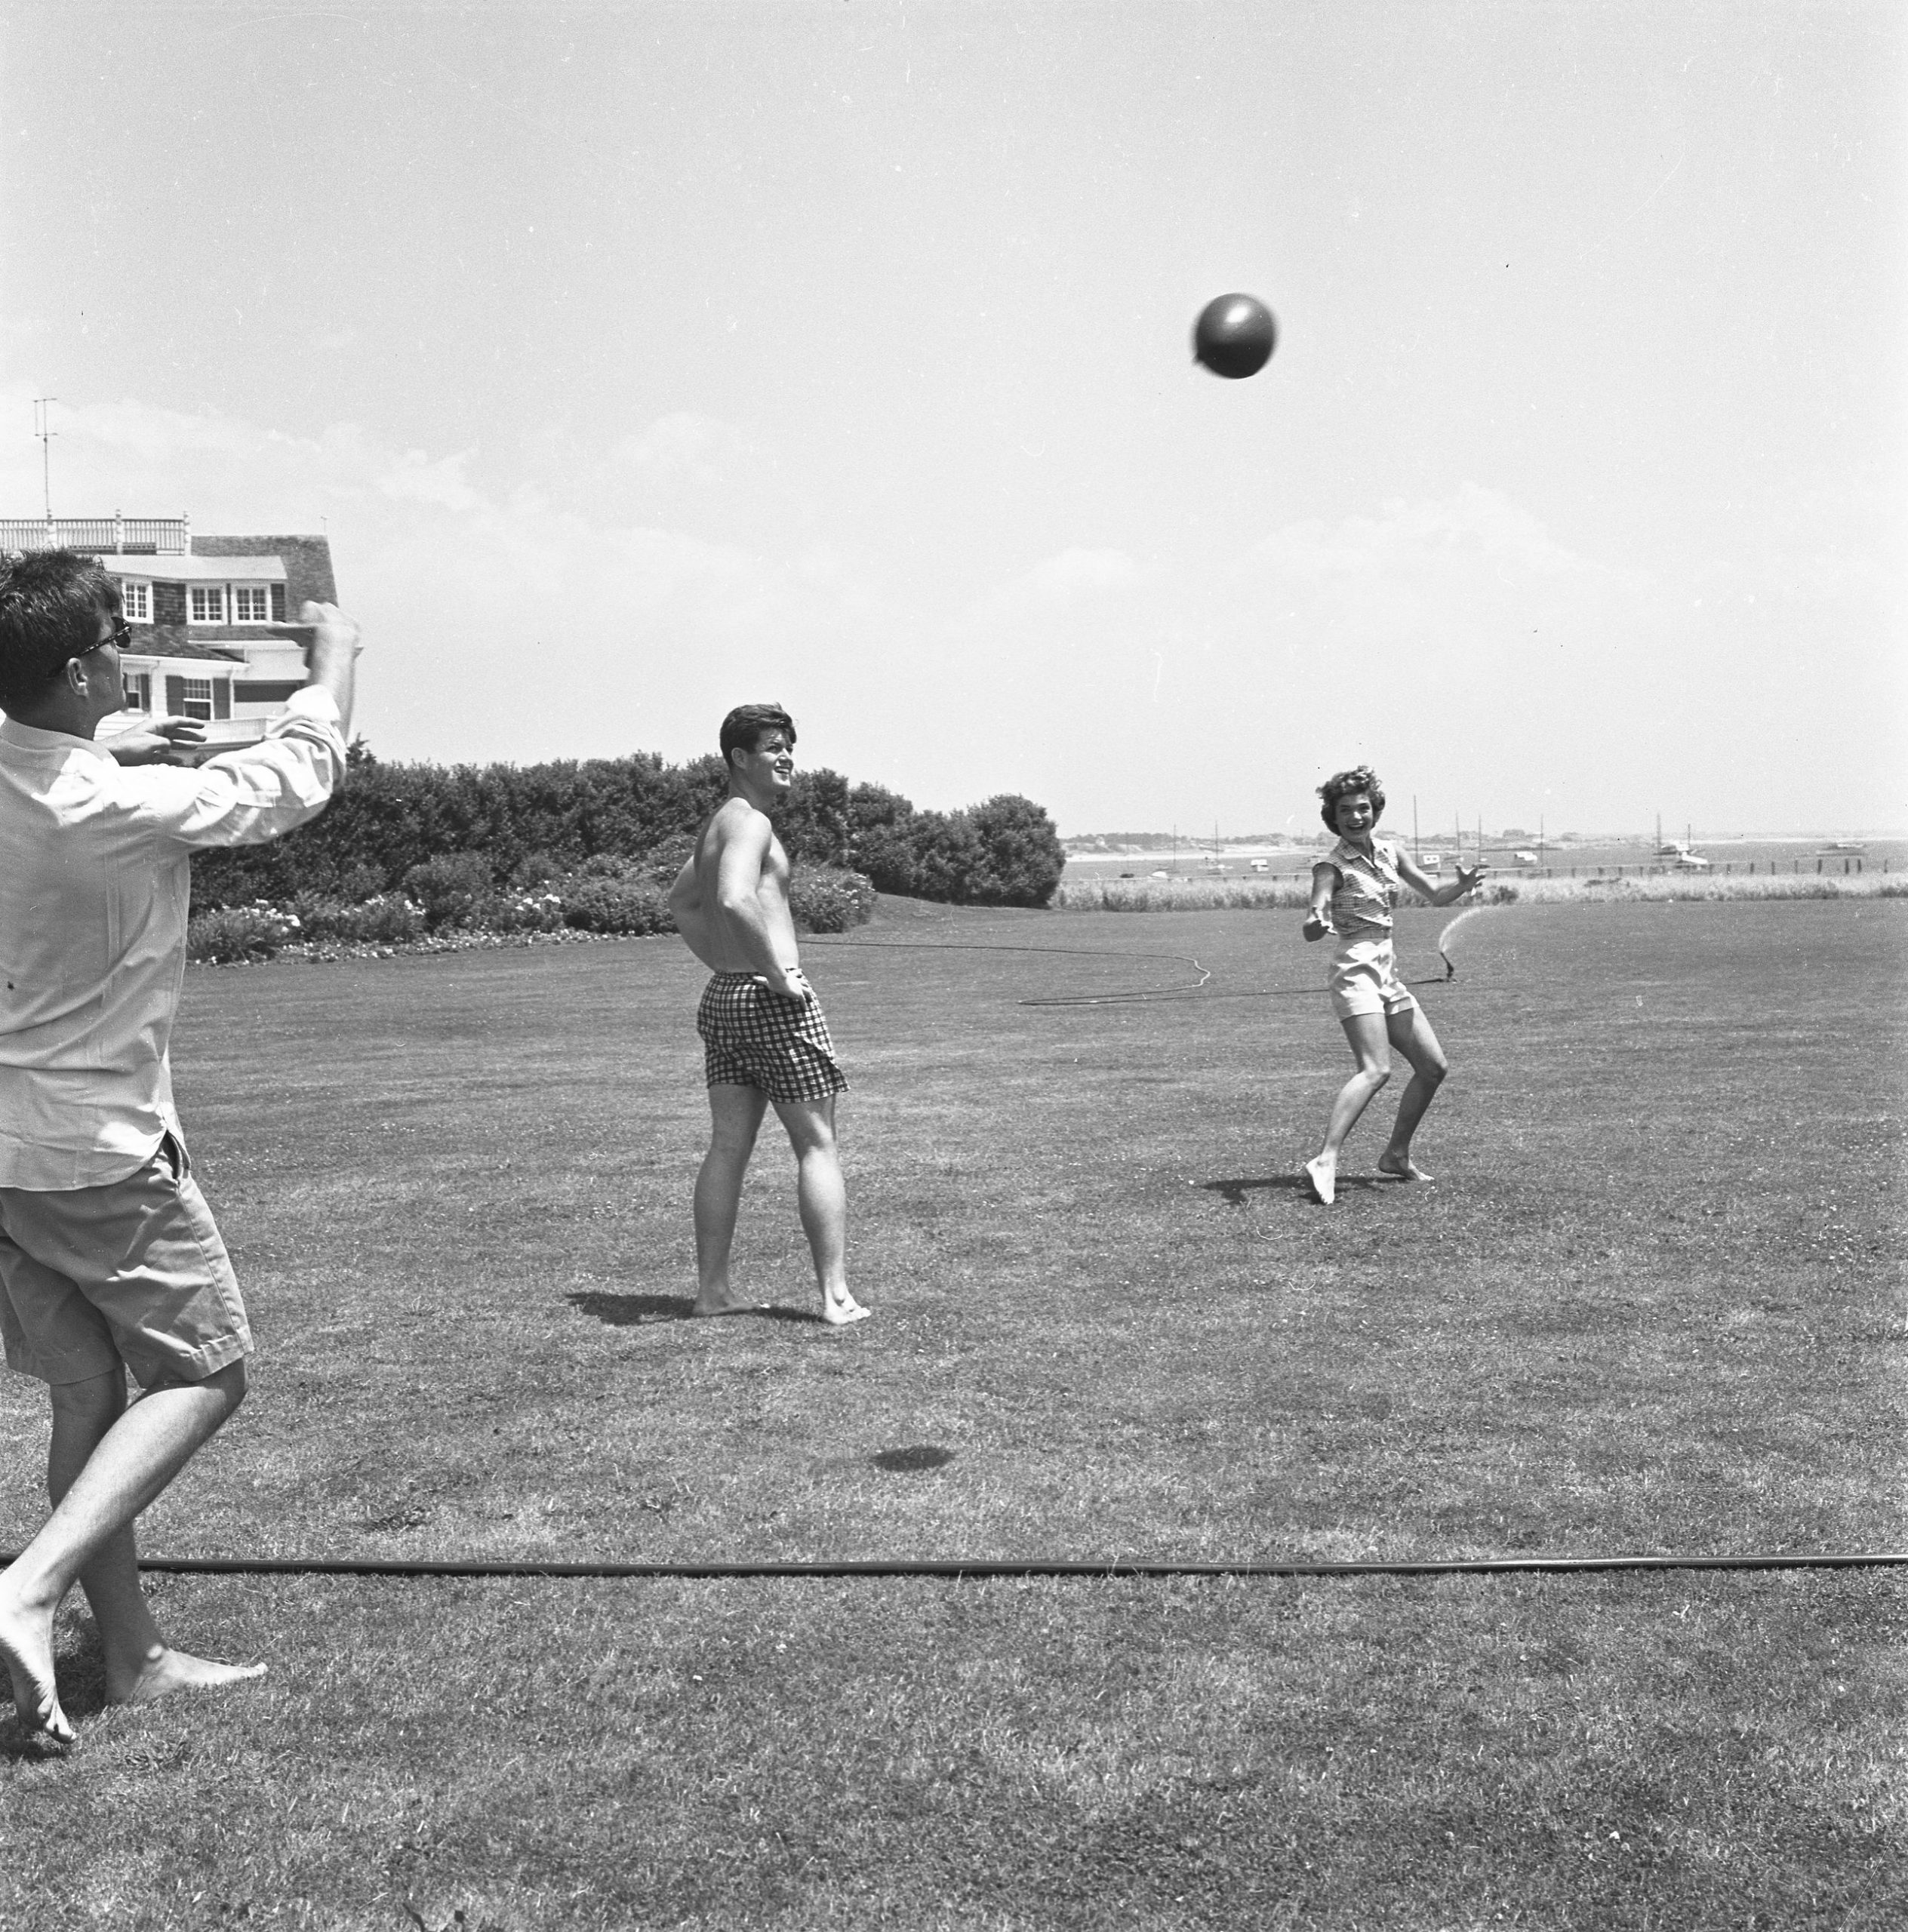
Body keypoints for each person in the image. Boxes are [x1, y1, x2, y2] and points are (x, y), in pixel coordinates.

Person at [0, 549, 362, 1744]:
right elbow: (298, 781)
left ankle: (135, 1655)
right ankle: (30, 1585)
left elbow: (62, 765)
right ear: (70, 668)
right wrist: (332, 664)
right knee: (206, 1371)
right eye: (109, 641)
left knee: (87, 1390)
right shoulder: (108, 810)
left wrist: (114, 741)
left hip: (8, 1155)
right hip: (100, 1149)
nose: (123, 653)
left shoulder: (48, 771)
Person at [668, 704, 869, 1326]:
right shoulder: (750, 823)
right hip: (769, 1000)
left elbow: (682, 901)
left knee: (729, 1145)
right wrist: (776, 972)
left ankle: (713, 1293)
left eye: (790, 748)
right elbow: (728, 898)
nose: (786, 758)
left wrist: (727, 962)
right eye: (774, 748)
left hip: (727, 997)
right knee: (817, 1143)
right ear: (740, 758)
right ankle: (835, 1297)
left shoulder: (718, 824)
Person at [1300, 765, 1485, 1206]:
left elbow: (1434, 895)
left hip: (1387, 968)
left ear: (1374, 809)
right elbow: (1313, 917)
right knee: (1376, 1069)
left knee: (1433, 1067)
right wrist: (1316, 920)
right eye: (1346, 810)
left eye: (1363, 807)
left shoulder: (1390, 852)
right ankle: (1325, 1160)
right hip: (1355, 968)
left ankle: (1396, 1155)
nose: (1356, 816)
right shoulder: (1330, 866)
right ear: (1334, 816)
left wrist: (1458, 887)